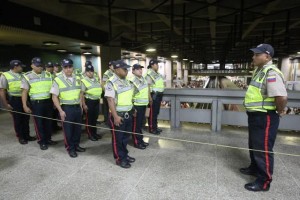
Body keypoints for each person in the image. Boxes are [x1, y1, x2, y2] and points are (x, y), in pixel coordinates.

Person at [241, 44, 287, 192]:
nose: (253, 57)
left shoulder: (271, 72)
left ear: (267, 56)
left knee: (263, 149)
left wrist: (279, 111)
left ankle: (263, 182)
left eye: (257, 54)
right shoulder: (259, 70)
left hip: (265, 116)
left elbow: (281, 96)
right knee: (254, 144)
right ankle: (254, 168)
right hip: (256, 115)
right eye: (253, 54)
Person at [50, 58, 85, 158]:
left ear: (72, 67)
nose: (68, 69)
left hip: (77, 107)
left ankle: (76, 145)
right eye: (65, 67)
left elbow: (81, 93)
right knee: (68, 130)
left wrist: (81, 105)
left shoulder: (78, 78)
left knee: (77, 129)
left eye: (70, 67)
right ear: (62, 68)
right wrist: (60, 110)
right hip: (66, 108)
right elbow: (54, 97)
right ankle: (70, 148)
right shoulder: (58, 79)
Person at [105, 60, 136, 168]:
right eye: (124, 69)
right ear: (117, 70)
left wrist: (132, 109)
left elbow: (128, 97)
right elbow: (110, 100)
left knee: (125, 137)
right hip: (118, 115)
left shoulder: (126, 81)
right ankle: (119, 159)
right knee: (118, 139)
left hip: (128, 114)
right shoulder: (111, 82)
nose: (127, 71)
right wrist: (115, 116)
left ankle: (125, 155)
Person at [21, 57, 57, 150]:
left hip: (48, 102)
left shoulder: (49, 75)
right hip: (36, 104)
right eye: (37, 66)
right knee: (39, 123)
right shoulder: (27, 76)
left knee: (48, 122)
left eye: (41, 65)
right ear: (32, 65)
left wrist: (54, 102)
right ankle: (42, 141)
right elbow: (24, 92)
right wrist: (24, 105)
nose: (40, 67)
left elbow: (53, 90)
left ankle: (48, 139)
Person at [0, 60, 34, 144]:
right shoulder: (5, 76)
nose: (22, 68)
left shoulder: (23, 74)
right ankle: (21, 137)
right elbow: (2, 91)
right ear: (15, 67)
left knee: (26, 118)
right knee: (18, 119)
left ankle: (27, 135)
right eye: (21, 66)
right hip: (14, 100)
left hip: (25, 98)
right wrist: (6, 104)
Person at [129, 64, 150, 149]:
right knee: (136, 125)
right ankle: (137, 142)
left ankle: (140, 139)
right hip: (136, 106)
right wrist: (132, 108)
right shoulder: (132, 81)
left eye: (141, 69)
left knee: (140, 124)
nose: (140, 70)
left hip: (143, 105)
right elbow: (129, 95)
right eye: (137, 69)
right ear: (133, 71)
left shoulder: (143, 79)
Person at [81, 63, 102, 141]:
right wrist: (84, 105)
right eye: (88, 71)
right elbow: (82, 94)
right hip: (89, 102)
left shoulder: (95, 79)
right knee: (89, 119)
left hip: (96, 101)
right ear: (86, 72)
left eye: (92, 71)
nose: (90, 73)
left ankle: (94, 133)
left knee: (94, 118)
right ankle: (90, 134)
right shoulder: (84, 80)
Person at [146, 59, 165, 135]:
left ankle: (155, 127)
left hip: (158, 96)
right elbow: (147, 86)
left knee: (156, 112)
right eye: (156, 64)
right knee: (152, 113)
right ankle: (151, 128)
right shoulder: (149, 74)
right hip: (153, 96)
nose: (158, 65)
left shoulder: (157, 73)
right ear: (152, 65)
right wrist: (150, 98)